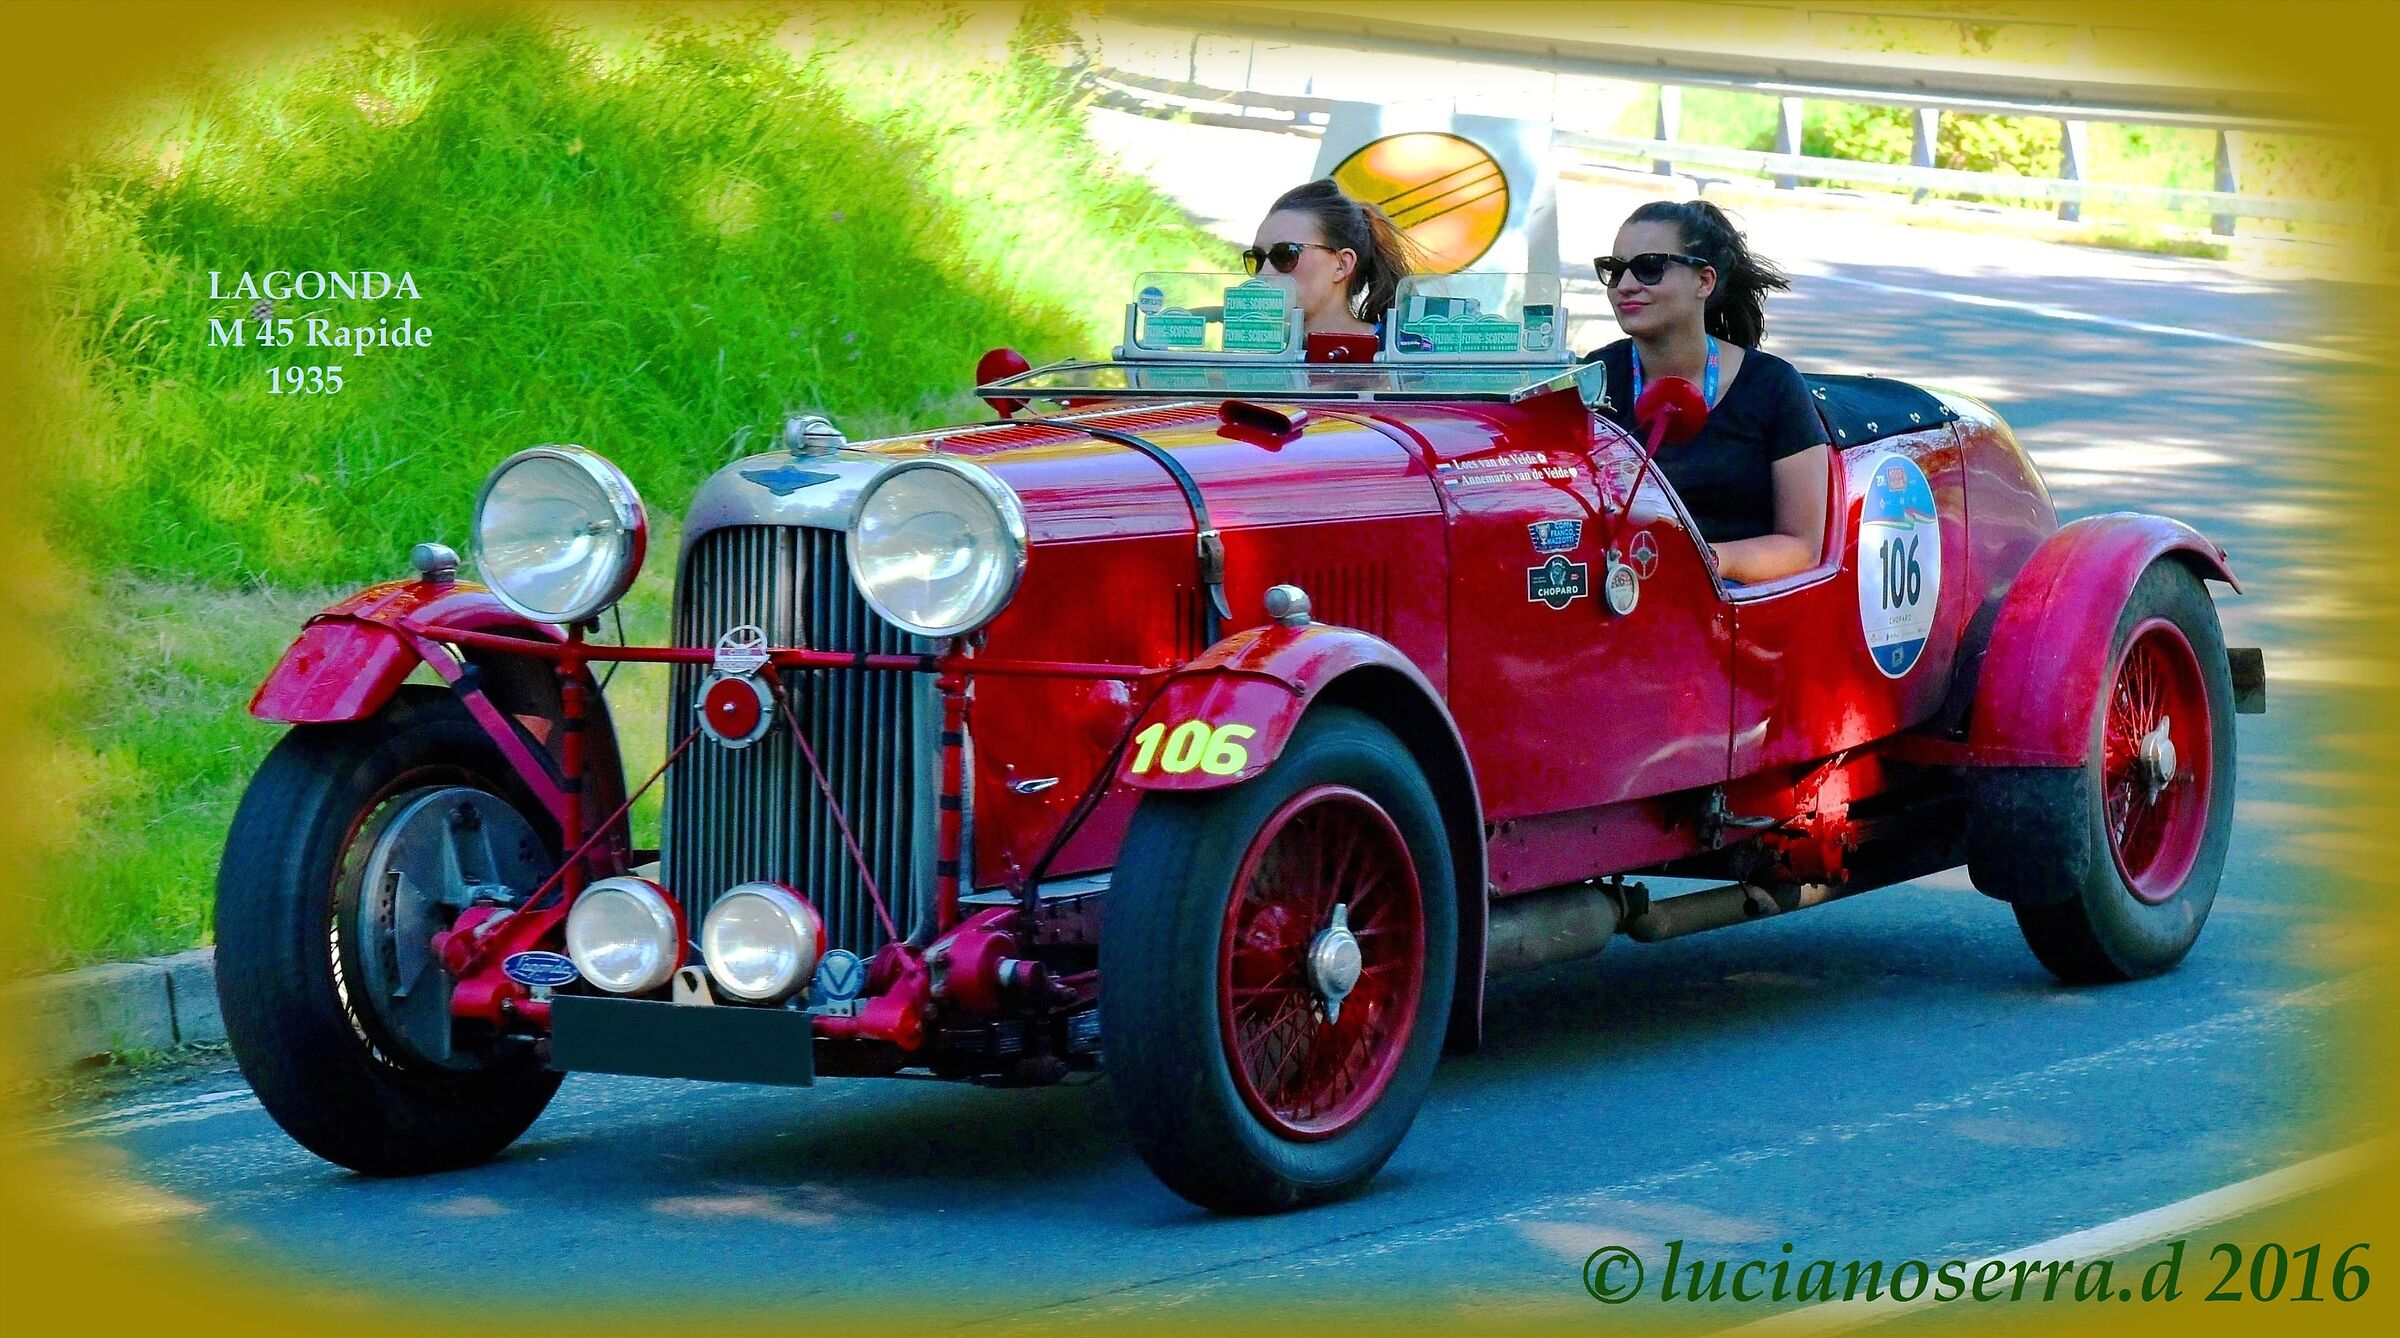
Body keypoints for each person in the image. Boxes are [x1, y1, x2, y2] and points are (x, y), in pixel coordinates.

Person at [1583, 200, 1830, 585]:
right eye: (1614, 270)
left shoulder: (1773, 386)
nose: (1626, 285)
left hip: (1723, 600)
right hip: (1615, 592)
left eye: (1650, 267)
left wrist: (1707, 561)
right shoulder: (1593, 377)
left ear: (1704, 281)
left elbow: (1801, 546)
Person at [1245, 178, 1422, 338]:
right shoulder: (1254, 350)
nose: (1263, 273)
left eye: (1284, 255)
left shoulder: (1401, 354)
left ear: (1342, 264)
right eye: (1257, 259)